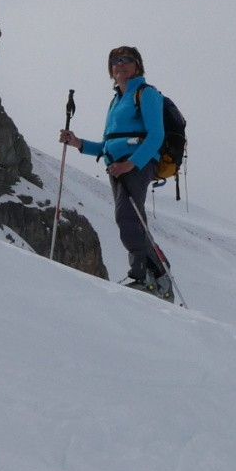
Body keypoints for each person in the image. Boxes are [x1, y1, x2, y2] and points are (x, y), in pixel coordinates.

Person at [58, 45, 175, 299]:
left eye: (126, 60)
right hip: (116, 165)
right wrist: (77, 143)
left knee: (127, 216)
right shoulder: (117, 101)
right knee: (131, 218)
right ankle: (158, 276)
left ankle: (144, 276)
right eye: (115, 61)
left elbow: (156, 135)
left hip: (135, 163)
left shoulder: (146, 94)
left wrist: (131, 163)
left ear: (137, 65)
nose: (119, 65)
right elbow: (107, 144)